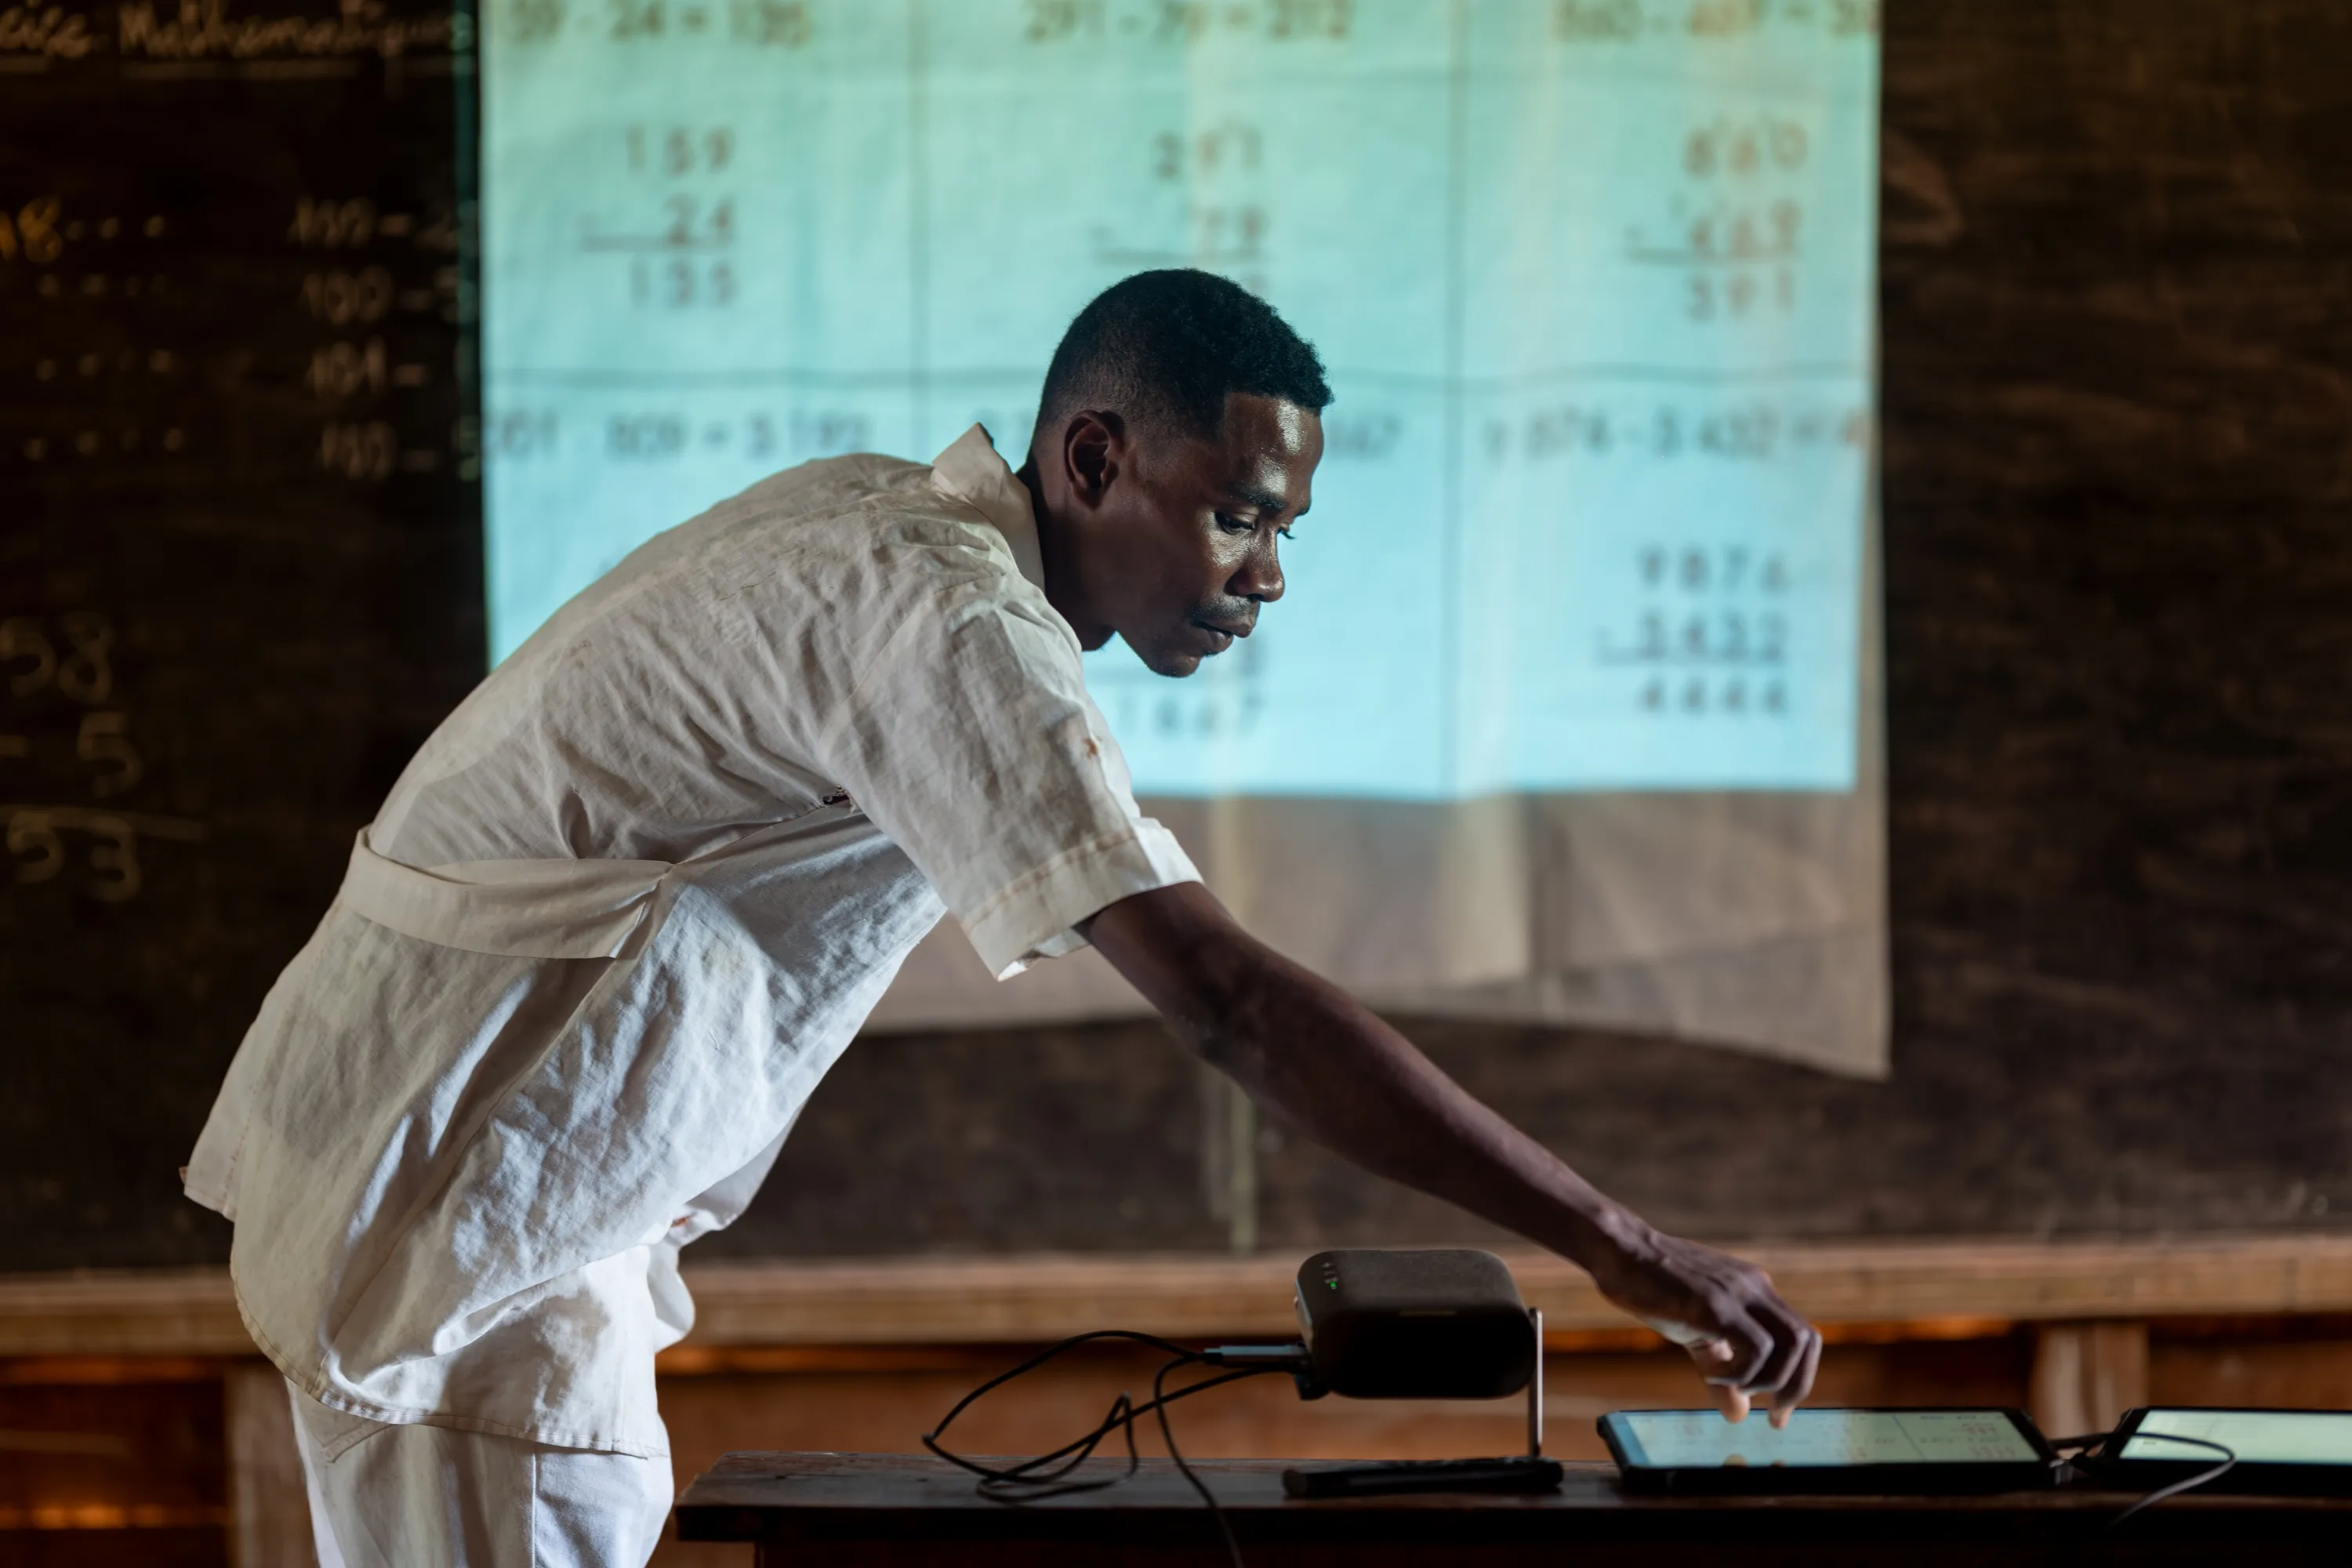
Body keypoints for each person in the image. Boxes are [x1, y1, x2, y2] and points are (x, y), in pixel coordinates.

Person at [183, 269, 1820, 1566]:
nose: (1265, 573)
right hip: (464, 1253)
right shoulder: (948, 617)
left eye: (1286, 532)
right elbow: (1228, 1005)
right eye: (1239, 511)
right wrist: (1628, 1245)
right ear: (1094, 456)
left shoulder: (897, 532)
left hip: (471, 1219)